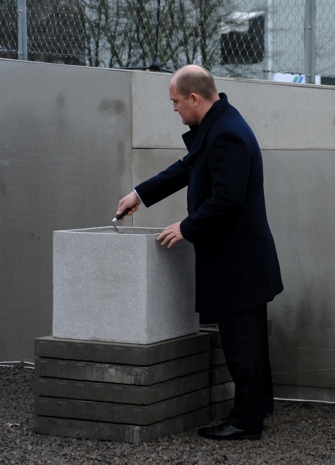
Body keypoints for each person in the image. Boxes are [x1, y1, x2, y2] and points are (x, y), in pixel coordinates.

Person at [116, 64, 283, 441]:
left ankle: (246, 422)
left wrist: (186, 227)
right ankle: (256, 408)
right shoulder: (219, 124)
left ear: (194, 98)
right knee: (248, 340)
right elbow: (186, 168)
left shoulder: (226, 134)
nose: (174, 108)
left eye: (176, 102)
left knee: (242, 343)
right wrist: (140, 194)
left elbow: (227, 199)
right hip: (240, 259)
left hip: (238, 262)